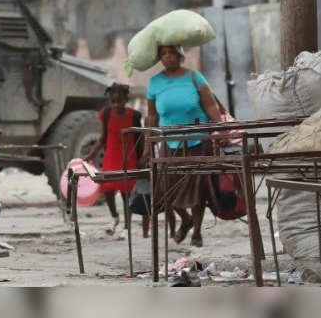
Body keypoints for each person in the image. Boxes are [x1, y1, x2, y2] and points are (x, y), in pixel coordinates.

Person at [143, 45, 225, 248]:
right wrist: (147, 145)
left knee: (197, 187)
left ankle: (196, 231)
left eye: (171, 52)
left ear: (180, 55)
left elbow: (210, 104)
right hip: (169, 141)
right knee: (166, 188)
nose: (167, 56)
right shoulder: (154, 83)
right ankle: (185, 219)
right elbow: (152, 116)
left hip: (198, 140)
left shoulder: (194, 77)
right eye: (163, 54)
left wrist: (222, 130)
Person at [82, 83, 148, 238]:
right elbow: (103, 138)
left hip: (129, 157)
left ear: (126, 99)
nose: (116, 105)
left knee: (127, 194)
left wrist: (143, 157)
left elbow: (139, 138)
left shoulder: (135, 116)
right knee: (108, 190)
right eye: (113, 102)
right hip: (111, 156)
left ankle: (127, 227)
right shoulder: (106, 114)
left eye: (120, 101)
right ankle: (114, 217)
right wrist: (91, 155)